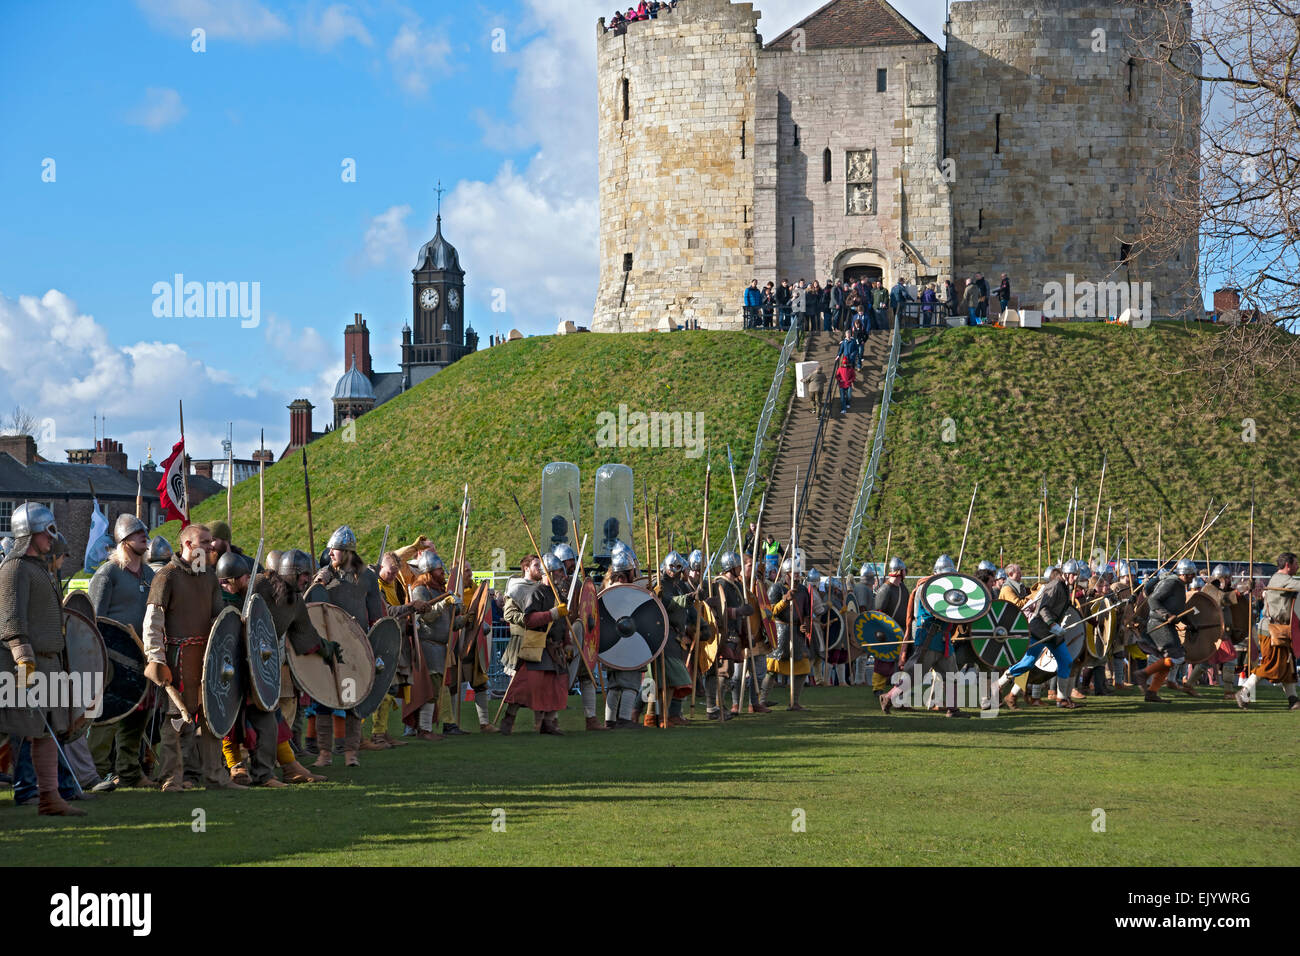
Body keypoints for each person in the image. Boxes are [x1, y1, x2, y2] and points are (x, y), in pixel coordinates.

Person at [0, 503, 86, 816]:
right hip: (21, 664)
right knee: (15, 728)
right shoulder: (14, 569)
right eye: (47, 531)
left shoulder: (38, 568)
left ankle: (49, 797)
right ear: (30, 533)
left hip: (49, 663)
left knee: (47, 730)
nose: (52, 538)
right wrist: (23, 657)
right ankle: (31, 792)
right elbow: (10, 618)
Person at [142, 523, 239, 790]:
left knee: (211, 718)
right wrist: (156, 658)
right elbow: (153, 621)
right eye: (205, 542)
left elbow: (217, 619)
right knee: (176, 719)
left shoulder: (208, 576)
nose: (211, 546)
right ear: (187, 545)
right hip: (179, 658)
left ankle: (215, 776)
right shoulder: (167, 576)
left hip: (208, 659)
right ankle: (172, 778)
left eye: (211, 542)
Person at [87, 514, 155, 792]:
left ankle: (129, 771)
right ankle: (95, 773)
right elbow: (93, 621)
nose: (145, 537)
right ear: (124, 540)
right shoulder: (108, 574)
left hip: (141, 657)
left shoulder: (150, 575)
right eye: (139, 533)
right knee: (105, 715)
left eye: (145, 533)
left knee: (137, 715)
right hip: (111, 659)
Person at [310, 525, 385, 765]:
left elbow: (376, 616)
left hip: (356, 645)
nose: (330, 553)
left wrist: (375, 642)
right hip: (329, 646)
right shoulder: (324, 574)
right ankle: (324, 753)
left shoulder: (368, 577)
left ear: (348, 551)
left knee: (353, 699)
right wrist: (316, 584)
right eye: (330, 549)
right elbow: (310, 607)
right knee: (324, 699)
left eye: (335, 549)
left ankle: (351, 751)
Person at [883, 555, 965, 717]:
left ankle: (953, 709)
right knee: (914, 675)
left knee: (951, 676)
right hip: (929, 637)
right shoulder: (926, 588)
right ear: (937, 573)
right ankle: (888, 697)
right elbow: (932, 612)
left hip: (944, 640)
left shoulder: (946, 588)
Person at [500, 553, 572, 735]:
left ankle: (549, 723)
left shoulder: (559, 595)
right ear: (546, 573)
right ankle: (509, 719)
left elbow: (562, 624)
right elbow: (529, 619)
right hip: (538, 644)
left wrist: (567, 642)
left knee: (557, 684)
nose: (560, 576)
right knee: (526, 685)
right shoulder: (536, 592)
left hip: (555, 647)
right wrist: (552, 614)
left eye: (560, 572)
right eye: (556, 572)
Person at [993, 563, 1080, 710]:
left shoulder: (1065, 587)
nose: (1075, 577)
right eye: (1073, 574)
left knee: (1066, 661)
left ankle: (1062, 699)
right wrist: (1052, 624)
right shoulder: (1054, 586)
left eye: (1076, 575)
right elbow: (1043, 608)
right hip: (1039, 630)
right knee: (1028, 662)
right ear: (1065, 574)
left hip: (1053, 634)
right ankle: (997, 685)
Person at [1236, 551, 1300, 710]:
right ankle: (1244, 691)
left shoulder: (1281, 579)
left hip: (1281, 629)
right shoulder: (1282, 579)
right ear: (1288, 565)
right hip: (1272, 630)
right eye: (1296, 563)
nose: (1298, 566)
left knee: (1287, 665)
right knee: (1271, 664)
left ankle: (1293, 700)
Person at [1137, 558, 1198, 704]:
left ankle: (1152, 692)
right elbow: (1153, 600)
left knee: (1173, 659)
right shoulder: (1171, 583)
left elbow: (1179, 610)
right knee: (1175, 656)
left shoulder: (1180, 586)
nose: (1193, 577)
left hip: (1166, 625)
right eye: (1191, 574)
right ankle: (1143, 674)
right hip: (1158, 623)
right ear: (1185, 573)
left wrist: (1190, 624)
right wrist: (1167, 615)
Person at [762, 553, 811, 711]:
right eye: (794, 572)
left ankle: (794, 702)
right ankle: (761, 701)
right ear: (786, 573)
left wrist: (805, 626)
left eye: (798, 572)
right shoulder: (776, 588)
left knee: (803, 667)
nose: (797, 575)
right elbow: (769, 613)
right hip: (781, 632)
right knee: (772, 669)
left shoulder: (803, 590)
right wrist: (784, 600)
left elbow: (806, 613)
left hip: (797, 632)